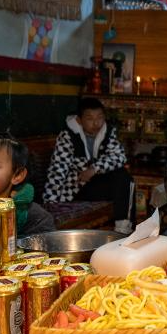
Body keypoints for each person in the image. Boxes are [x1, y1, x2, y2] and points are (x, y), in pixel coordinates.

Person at [43, 97, 134, 233]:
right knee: (121, 179)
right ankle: (121, 229)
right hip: (76, 188)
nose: (96, 123)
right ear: (80, 120)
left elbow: (119, 157)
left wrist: (94, 169)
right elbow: (58, 169)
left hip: (97, 184)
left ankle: (123, 228)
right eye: (90, 118)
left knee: (123, 177)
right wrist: (50, 204)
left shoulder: (108, 133)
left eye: (99, 117)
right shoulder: (68, 136)